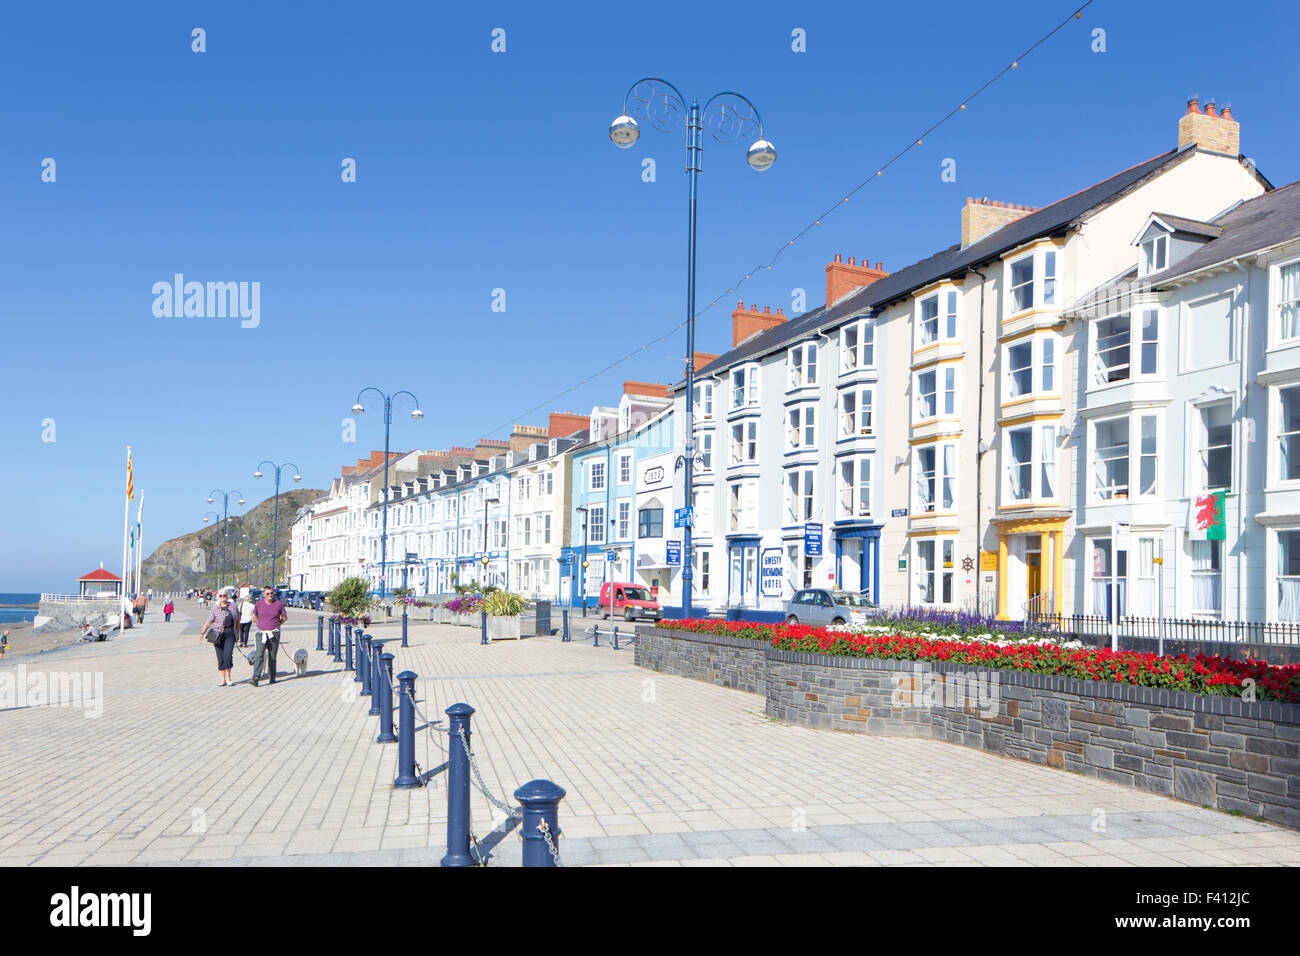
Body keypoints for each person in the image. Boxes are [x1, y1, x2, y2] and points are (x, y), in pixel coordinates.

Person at [199, 591, 240, 687]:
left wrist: (237, 634)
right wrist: (202, 633)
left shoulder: (233, 606)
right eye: (221, 596)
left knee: (228, 655)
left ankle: (229, 678)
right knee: (220, 657)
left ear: (227, 596)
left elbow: (238, 620)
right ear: (218, 597)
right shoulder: (215, 608)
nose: (223, 597)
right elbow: (209, 621)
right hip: (218, 635)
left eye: (224, 595)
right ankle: (223, 679)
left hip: (230, 634)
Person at [250, 586, 287, 687]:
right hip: (261, 633)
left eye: (271, 593)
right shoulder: (259, 604)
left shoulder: (278, 604)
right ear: (263, 594)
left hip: (274, 633)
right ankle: (256, 677)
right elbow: (255, 617)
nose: (270, 595)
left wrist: (276, 625)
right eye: (267, 594)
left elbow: (284, 617)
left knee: (272, 656)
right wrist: (262, 625)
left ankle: (272, 676)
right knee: (259, 654)